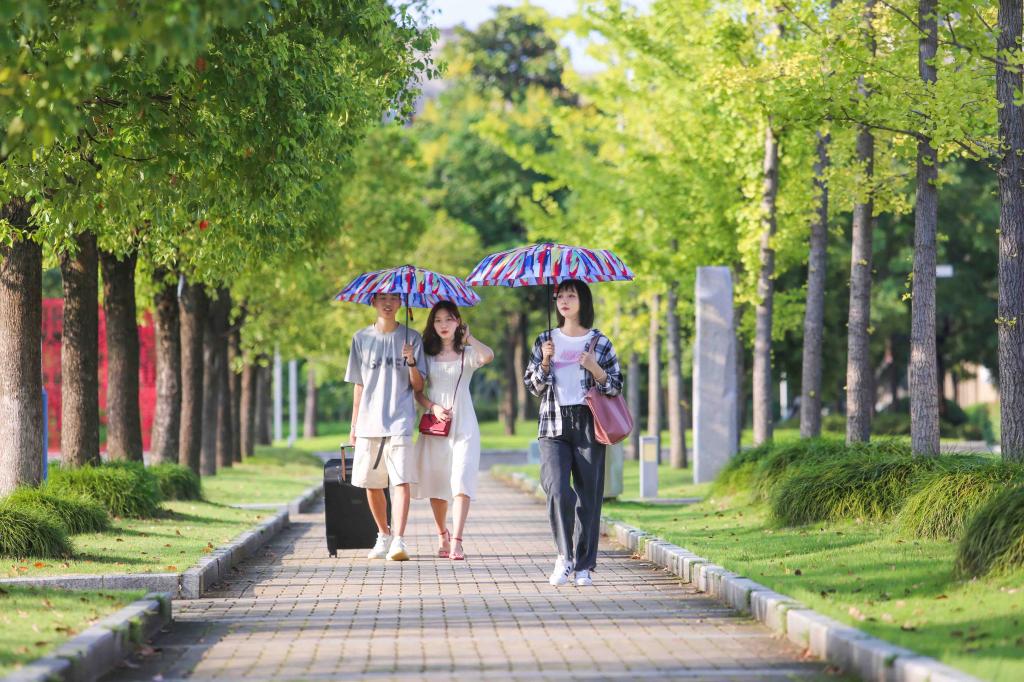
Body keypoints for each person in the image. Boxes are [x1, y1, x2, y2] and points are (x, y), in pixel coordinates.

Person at [524, 279, 623, 587]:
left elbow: (616, 386)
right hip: (552, 424)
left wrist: (595, 368)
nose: (564, 301)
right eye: (560, 296)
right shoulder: (545, 340)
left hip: (589, 423)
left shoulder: (599, 342)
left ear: (583, 302)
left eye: (571, 296)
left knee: (589, 497)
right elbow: (532, 387)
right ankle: (564, 556)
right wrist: (544, 361)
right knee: (557, 489)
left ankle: (584, 565)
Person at [345, 292, 425, 561]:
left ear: (401, 302)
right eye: (382, 298)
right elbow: (358, 384)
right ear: (373, 302)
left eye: (393, 298)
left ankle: (399, 540)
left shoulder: (412, 338)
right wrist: (354, 425)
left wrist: (411, 361)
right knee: (372, 483)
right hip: (369, 422)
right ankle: (384, 534)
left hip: (400, 420)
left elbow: (418, 386)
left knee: (401, 480)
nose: (388, 303)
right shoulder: (360, 338)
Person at [412, 301, 494, 561]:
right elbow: (417, 392)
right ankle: (442, 534)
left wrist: (470, 338)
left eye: (449, 319)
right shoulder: (426, 354)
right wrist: (433, 407)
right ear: (432, 325)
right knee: (437, 483)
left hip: (464, 424)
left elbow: (488, 356)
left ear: (458, 321)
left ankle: (457, 541)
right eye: (437, 320)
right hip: (436, 426)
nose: (443, 325)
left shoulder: (467, 353)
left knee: (461, 479)